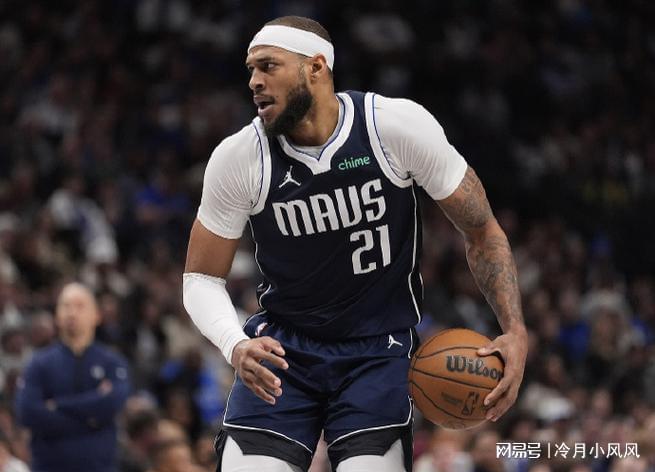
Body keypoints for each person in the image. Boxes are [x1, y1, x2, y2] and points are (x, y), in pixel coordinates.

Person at [182, 15, 528, 472]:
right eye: (251, 70)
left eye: (268, 66)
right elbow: (200, 278)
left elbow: (482, 230)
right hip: (282, 351)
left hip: (378, 348)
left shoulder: (394, 127)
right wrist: (234, 344)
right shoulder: (240, 157)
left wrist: (514, 330)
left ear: (316, 67)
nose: (254, 82)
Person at [15, 282, 130, 472]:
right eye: (66, 306)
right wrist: (91, 418)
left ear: (97, 315)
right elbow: (27, 413)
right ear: (56, 315)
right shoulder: (38, 363)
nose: (72, 313)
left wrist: (58, 405)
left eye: (80, 306)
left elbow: (113, 402)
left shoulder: (112, 362)